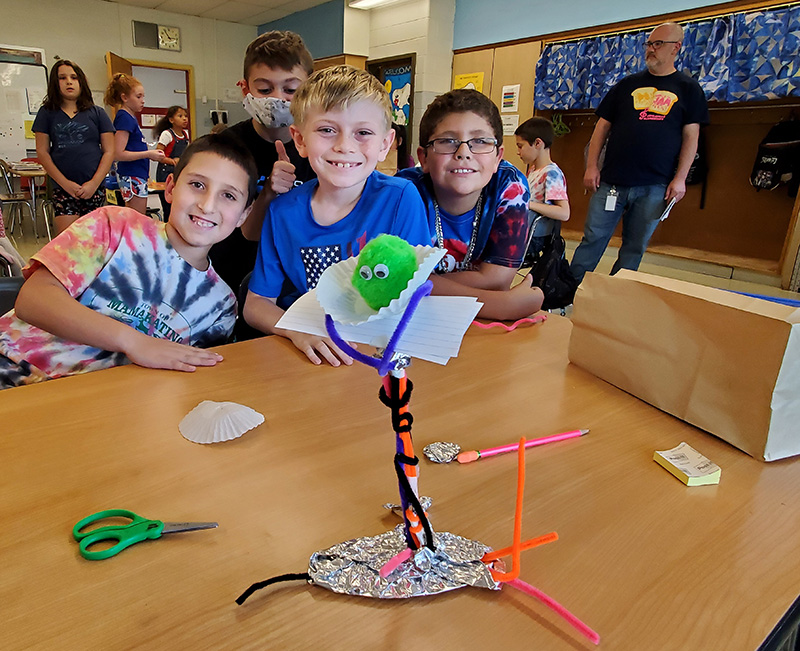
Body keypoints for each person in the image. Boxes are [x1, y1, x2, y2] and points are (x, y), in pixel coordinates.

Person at [0, 133, 258, 389]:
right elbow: (32, 300)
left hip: (94, 408)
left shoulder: (221, 306)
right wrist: (134, 342)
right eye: (197, 185)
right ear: (170, 188)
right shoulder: (115, 224)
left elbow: (190, 382)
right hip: (10, 372)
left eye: (229, 196)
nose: (207, 205)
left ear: (243, 215)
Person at [243, 65, 431, 366]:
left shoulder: (400, 199)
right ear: (300, 140)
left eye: (363, 133)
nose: (345, 146)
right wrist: (298, 331)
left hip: (379, 350)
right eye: (327, 130)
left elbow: (416, 293)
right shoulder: (282, 212)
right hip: (313, 356)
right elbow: (256, 304)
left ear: (385, 144)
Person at [570, 21, 709, 283]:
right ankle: (566, 291)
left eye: (658, 44)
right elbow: (601, 128)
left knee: (634, 247)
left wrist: (680, 179)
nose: (651, 49)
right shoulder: (626, 85)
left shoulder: (688, 89)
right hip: (611, 181)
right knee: (592, 240)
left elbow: (692, 138)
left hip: (654, 186)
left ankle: (615, 296)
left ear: (676, 48)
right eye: (649, 44)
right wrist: (591, 166)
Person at [397, 89, 544, 320]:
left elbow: (498, 279)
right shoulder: (403, 192)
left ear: (498, 157)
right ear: (423, 158)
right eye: (447, 141)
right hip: (413, 319)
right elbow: (392, 282)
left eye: (480, 141)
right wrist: (503, 305)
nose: (464, 152)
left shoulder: (510, 186)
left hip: (477, 326)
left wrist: (422, 284)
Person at [209, 30, 317, 297]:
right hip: (231, 278)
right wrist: (268, 191)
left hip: (300, 284)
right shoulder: (225, 147)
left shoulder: (320, 147)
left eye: (291, 89)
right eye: (265, 89)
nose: (278, 98)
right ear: (245, 89)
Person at [33, 59, 116, 235]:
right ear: (56, 83)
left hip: (94, 187)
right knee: (68, 243)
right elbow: (42, 151)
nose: (69, 81)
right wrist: (66, 184)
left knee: (94, 241)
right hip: (63, 188)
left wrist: (94, 183)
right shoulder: (47, 113)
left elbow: (109, 151)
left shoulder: (97, 113)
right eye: (62, 78)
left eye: (74, 77)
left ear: (81, 82)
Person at [104, 73, 165, 215]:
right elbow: (118, 153)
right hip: (131, 176)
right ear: (124, 98)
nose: (143, 101)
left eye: (143, 96)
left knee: (137, 218)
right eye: (138, 97)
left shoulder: (130, 118)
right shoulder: (124, 118)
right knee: (135, 220)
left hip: (136, 175)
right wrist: (149, 154)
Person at [514, 116, 570, 264]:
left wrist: (528, 204)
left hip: (534, 238)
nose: (518, 152)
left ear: (538, 143)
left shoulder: (551, 173)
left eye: (520, 146)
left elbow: (564, 213)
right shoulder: (533, 170)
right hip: (523, 233)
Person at [154, 105, 191, 220]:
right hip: (165, 171)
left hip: (179, 171)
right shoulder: (167, 134)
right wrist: (171, 161)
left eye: (186, 116)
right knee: (167, 204)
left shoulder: (186, 135)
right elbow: (158, 154)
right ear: (171, 120)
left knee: (178, 203)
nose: (185, 119)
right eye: (180, 116)